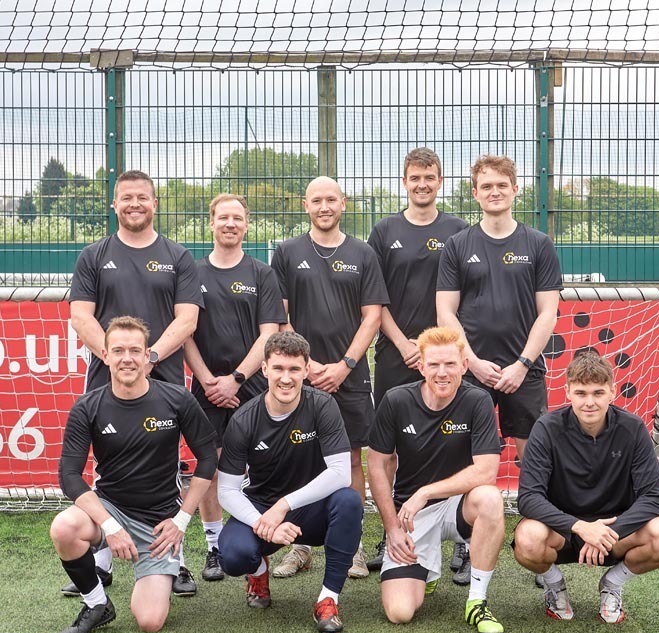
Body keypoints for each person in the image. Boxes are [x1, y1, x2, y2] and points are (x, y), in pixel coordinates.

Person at [68, 169, 205, 596]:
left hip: (162, 373)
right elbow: (80, 316)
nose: (134, 204)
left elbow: (188, 318)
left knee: (169, 462)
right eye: (126, 197)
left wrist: (150, 358)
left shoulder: (178, 256)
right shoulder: (93, 255)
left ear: (154, 204)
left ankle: (175, 558)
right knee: (107, 460)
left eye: (142, 197)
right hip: (107, 374)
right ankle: (102, 557)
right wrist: (115, 359)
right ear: (114, 204)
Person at [436, 154, 563, 584]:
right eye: (486, 186)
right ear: (475, 193)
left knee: (534, 460)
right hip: (471, 372)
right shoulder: (458, 245)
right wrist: (470, 361)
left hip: (523, 373)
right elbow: (446, 312)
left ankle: (540, 544)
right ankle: (466, 541)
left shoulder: (538, 244)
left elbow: (548, 313)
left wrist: (522, 364)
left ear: (515, 190)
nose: (494, 192)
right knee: (464, 458)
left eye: (501, 185)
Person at [50, 316, 218, 633]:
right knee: (64, 527)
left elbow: (208, 459)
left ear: (147, 355)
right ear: (105, 355)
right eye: (118, 351)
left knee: (150, 621)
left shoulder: (177, 399)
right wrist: (110, 527)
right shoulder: (88, 407)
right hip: (109, 510)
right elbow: (69, 476)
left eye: (134, 351)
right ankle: (97, 604)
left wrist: (181, 520)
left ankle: (166, 567)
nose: (126, 358)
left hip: (158, 523)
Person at [269, 176, 389, 579]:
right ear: (305, 205)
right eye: (317, 200)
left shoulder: (363, 253)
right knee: (301, 458)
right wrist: (307, 366)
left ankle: (351, 547)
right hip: (300, 376)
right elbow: (280, 315)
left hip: (349, 376)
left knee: (352, 457)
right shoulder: (287, 252)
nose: (324, 207)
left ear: (343, 203)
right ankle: (300, 546)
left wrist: (344, 365)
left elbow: (372, 316)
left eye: (331, 200)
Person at [512, 350, 659, 623]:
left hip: (615, 533)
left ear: (612, 392)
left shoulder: (632, 428)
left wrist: (608, 532)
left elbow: (652, 497)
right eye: (581, 393)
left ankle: (612, 584)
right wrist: (580, 526)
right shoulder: (546, 428)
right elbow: (529, 498)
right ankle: (555, 586)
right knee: (528, 539)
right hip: (563, 531)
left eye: (598, 393)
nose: (589, 402)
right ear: (567, 392)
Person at [216, 332, 364, 633]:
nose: (286, 378)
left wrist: (284, 505)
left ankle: (328, 599)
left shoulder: (322, 405)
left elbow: (341, 473)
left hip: (312, 510)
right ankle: (258, 572)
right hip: (263, 508)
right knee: (232, 555)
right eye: (279, 368)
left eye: (294, 369)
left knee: (349, 501)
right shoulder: (243, 420)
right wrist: (263, 522)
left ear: (306, 370)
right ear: (264, 369)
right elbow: (227, 490)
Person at [366, 147, 469, 574]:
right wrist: (405, 344)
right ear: (404, 182)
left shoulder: (459, 230)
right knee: (389, 449)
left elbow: (462, 297)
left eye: (429, 177)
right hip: (396, 352)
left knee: (456, 442)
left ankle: (462, 539)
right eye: (415, 178)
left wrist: (435, 350)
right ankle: (391, 528)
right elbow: (374, 298)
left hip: (445, 356)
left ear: (440, 181)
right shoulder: (384, 230)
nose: (422, 184)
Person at [368, 327, 507, 633]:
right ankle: (425, 572)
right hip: (412, 515)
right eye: (434, 364)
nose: (442, 373)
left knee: (490, 497)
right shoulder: (396, 400)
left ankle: (477, 601)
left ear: (464, 365)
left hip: (459, 506)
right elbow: (377, 465)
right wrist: (391, 529)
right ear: (421, 366)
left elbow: (486, 471)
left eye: (450, 364)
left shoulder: (478, 400)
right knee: (400, 612)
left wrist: (426, 492)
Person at [182, 194, 285, 583]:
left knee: (259, 467)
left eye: (237, 218)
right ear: (211, 222)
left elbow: (269, 334)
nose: (230, 223)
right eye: (223, 217)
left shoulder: (262, 273)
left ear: (247, 224)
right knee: (210, 466)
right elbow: (186, 331)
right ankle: (214, 546)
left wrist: (237, 378)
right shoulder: (191, 273)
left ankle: (259, 540)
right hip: (206, 389)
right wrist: (208, 380)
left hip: (253, 386)